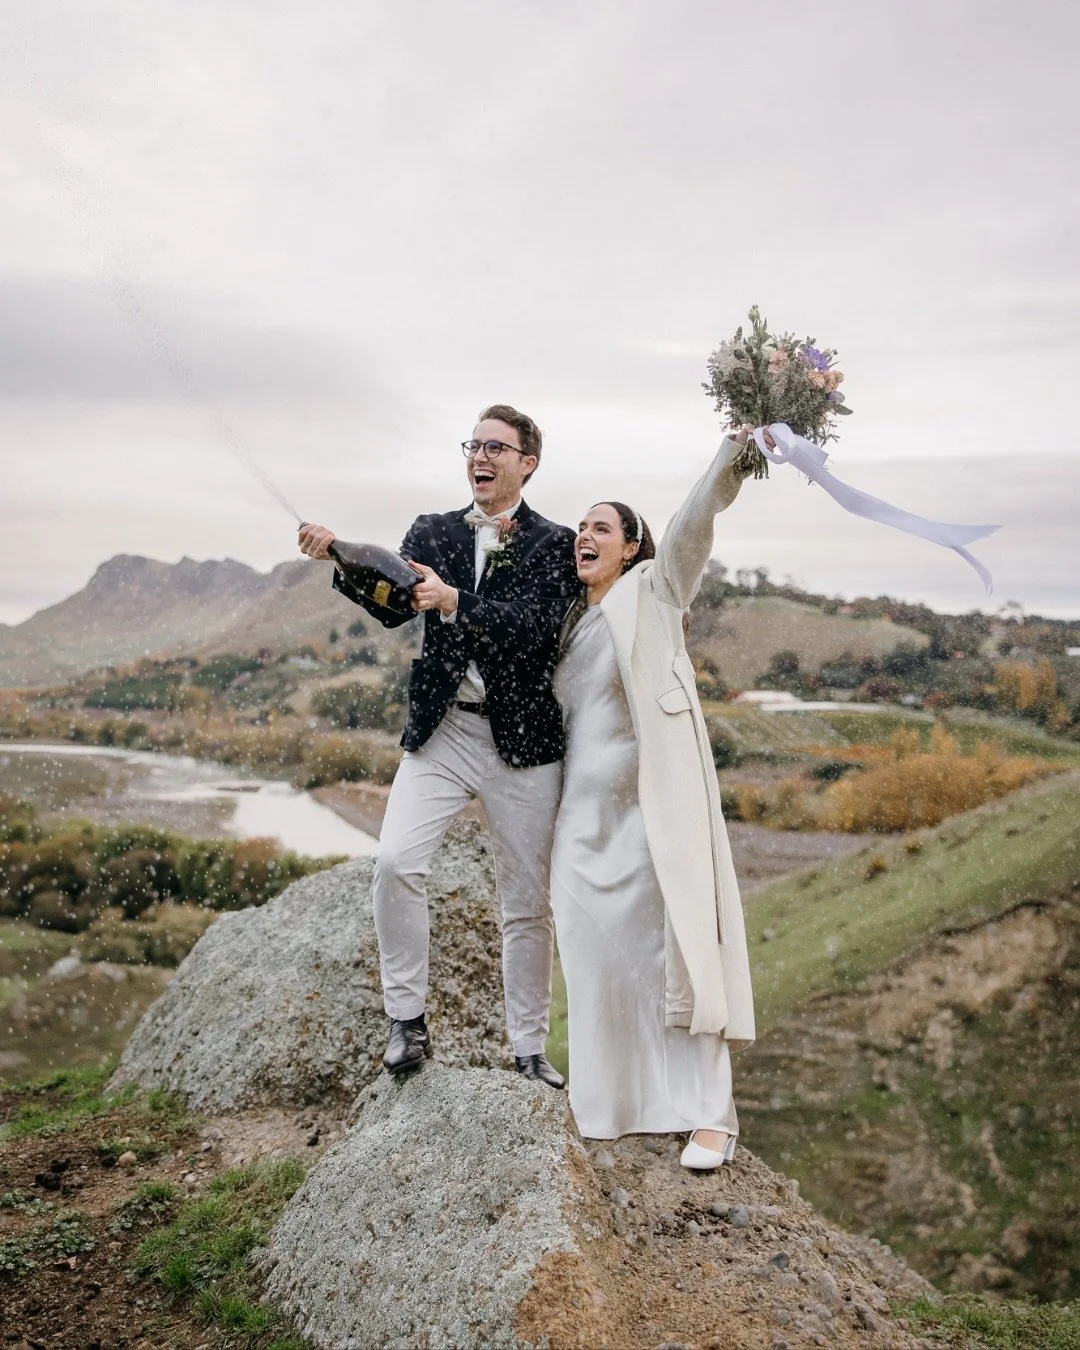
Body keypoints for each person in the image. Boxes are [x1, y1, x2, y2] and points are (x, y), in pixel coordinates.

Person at [298, 405, 578, 1087]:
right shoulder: (432, 529)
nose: (480, 457)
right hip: (443, 728)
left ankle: (529, 1049)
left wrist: (455, 599)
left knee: (525, 902)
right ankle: (406, 1022)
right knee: (395, 862)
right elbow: (395, 603)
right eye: (473, 446)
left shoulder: (556, 543)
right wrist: (337, 554)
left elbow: (538, 630)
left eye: (495, 447)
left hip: (523, 740)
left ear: (527, 462)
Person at [550, 426, 766, 1169]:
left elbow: (691, 527)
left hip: (649, 815)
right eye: (580, 527)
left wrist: (731, 458)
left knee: (672, 958)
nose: (585, 534)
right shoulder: (567, 619)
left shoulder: (658, 588)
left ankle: (710, 1113)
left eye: (601, 527)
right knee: (592, 958)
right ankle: (606, 1104)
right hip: (578, 820)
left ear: (632, 547)